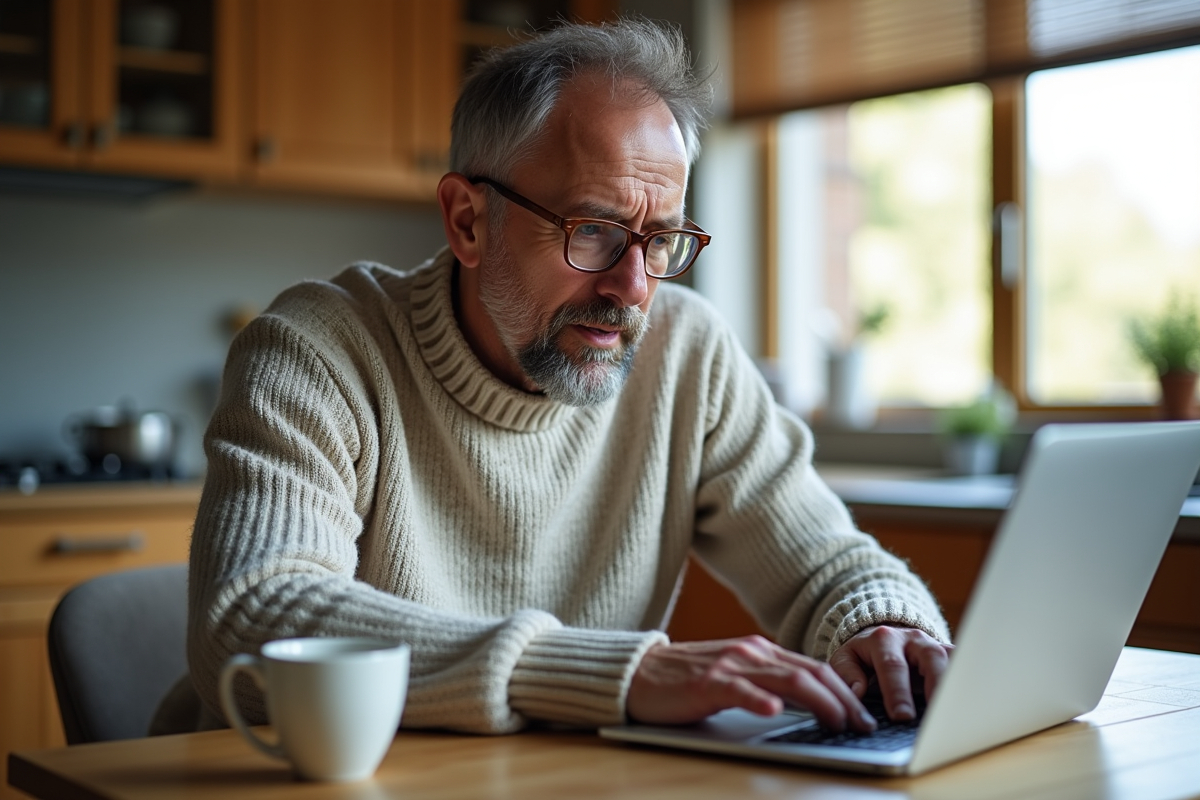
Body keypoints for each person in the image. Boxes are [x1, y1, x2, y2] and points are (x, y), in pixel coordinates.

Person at [182, 18, 952, 739]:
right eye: (594, 231)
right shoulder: (318, 350)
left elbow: (824, 560)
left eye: (660, 240)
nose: (634, 287)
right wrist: (618, 674)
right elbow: (253, 619)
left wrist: (886, 629)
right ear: (468, 221)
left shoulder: (687, 354)